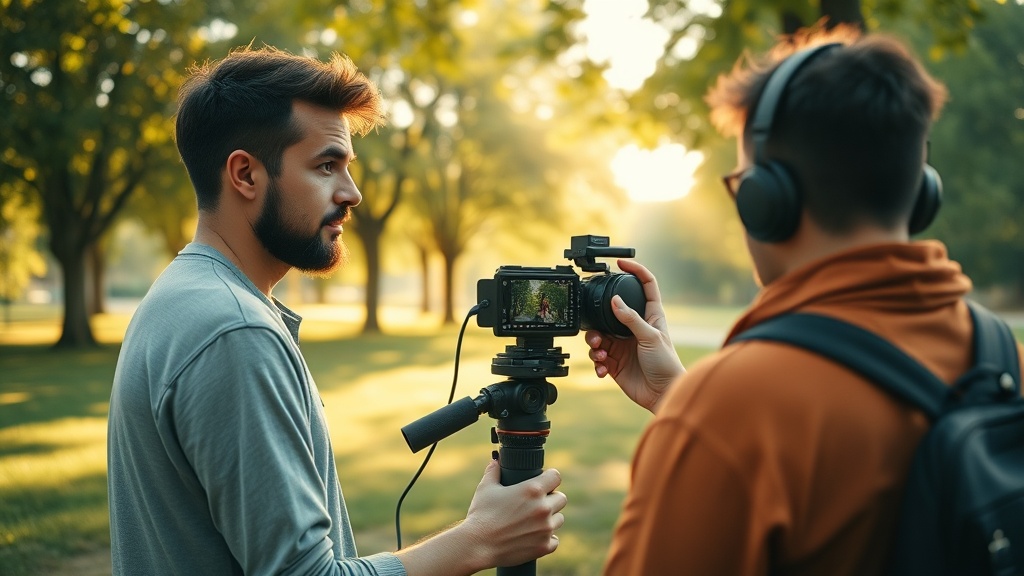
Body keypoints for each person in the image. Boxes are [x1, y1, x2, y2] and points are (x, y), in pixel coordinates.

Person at [107, 46, 566, 576]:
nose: (353, 193)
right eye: (326, 166)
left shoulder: (181, 295)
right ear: (245, 175)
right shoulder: (233, 330)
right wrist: (481, 541)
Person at [585, 26, 1024, 576]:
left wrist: (700, 413)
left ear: (767, 199)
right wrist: (682, 397)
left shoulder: (732, 412)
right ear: (920, 189)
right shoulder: (1003, 357)